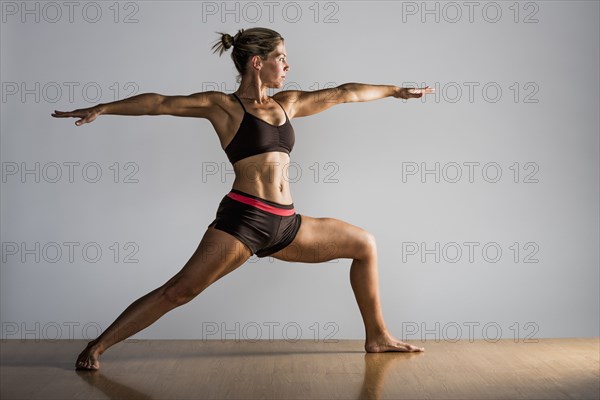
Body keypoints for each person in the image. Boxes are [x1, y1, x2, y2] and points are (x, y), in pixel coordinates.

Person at [52, 27, 434, 371]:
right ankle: (98, 345)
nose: (286, 64)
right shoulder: (224, 108)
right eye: (280, 57)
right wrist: (103, 108)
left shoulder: (289, 103)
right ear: (258, 62)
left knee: (364, 244)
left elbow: (344, 93)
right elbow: (161, 103)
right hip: (244, 221)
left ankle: (378, 336)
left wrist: (396, 91)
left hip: (287, 224)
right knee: (179, 291)